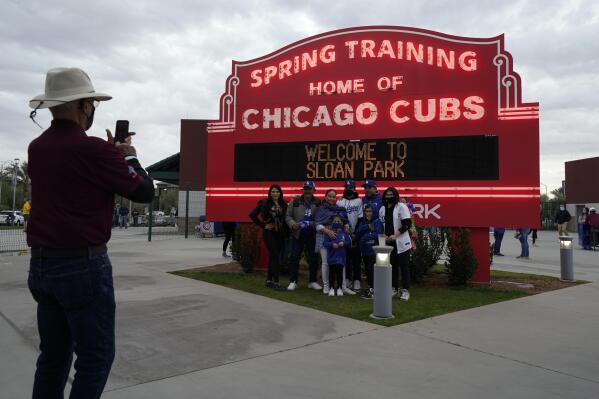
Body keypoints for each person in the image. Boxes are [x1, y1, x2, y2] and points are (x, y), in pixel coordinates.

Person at [26, 67, 154, 398]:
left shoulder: (37, 148)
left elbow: (77, 173)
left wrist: (109, 155)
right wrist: (130, 158)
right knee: (96, 357)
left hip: (42, 265)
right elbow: (144, 191)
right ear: (85, 105)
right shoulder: (95, 151)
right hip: (82, 266)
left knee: (53, 357)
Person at [314, 189, 354, 295]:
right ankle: (326, 286)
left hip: (339, 236)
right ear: (325, 197)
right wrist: (327, 231)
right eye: (329, 196)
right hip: (324, 236)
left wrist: (346, 225)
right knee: (326, 262)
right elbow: (317, 224)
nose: (331, 198)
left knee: (342, 261)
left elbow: (346, 221)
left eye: (333, 197)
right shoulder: (321, 208)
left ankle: (343, 287)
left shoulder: (340, 209)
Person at [249, 184, 288, 290]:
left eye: (277, 191)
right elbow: (252, 215)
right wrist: (263, 225)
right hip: (269, 233)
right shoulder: (265, 203)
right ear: (270, 193)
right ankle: (276, 282)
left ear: (280, 193)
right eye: (273, 192)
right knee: (275, 256)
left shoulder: (284, 204)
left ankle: (268, 281)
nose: (275, 193)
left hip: (280, 234)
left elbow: (286, 218)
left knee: (273, 256)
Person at [285, 181, 322, 291]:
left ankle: (312, 281)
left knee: (314, 258)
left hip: (312, 234)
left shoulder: (318, 202)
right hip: (298, 234)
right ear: (303, 190)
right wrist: (293, 225)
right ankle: (293, 281)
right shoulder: (295, 201)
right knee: (295, 257)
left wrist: (313, 223)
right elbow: (288, 216)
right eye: (305, 189)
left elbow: (321, 217)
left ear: (314, 190)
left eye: (310, 189)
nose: (307, 191)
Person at [379, 187, 412, 300]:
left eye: (391, 194)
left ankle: (405, 291)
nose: (389, 196)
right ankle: (394, 288)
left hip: (401, 242)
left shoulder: (401, 207)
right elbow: (382, 225)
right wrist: (384, 236)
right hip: (388, 242)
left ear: (395, 195)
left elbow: (407, 224)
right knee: (392, 266)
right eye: (387, 194)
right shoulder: (382, 209)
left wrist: (395, 235)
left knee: (404, 267)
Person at [336, 179, 363, 290]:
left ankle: (357, 279)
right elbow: (337, 218)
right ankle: (347, 278)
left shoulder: (359, 201)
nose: (348, 189)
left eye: (351, 187)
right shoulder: (340, 201)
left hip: (355, 233)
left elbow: (361, 218)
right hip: (343, 233)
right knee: (345, 257)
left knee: (356, 258)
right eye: (346, 187)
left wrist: (355, 233)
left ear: (354, 189)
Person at [355, 204, 383, 299]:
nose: (368, 213)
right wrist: (367, 227)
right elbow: (358, 232)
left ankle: (374, 290)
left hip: (373, 250)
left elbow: (377, 234)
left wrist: (364, 238)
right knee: (368, 270)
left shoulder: (377, 222)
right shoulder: (363, 222)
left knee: (372, 270)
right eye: (367, 211)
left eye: (370, 211)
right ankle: (371, 288)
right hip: (365, 251)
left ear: (374, 212)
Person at [323, 215, 351, 296]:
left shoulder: (344, 233)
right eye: (335, 221)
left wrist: (344, 243)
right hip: (332, 258)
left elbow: (348, 243)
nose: (337, 223)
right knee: (332, 274)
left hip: (341, 258)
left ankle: (339, 288)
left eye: (338, 221)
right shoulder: (329, 232)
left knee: (340, 274)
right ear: (332, 222)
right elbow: (325, 243)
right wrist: (332, 244)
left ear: (342, 223)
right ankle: (331, 288)